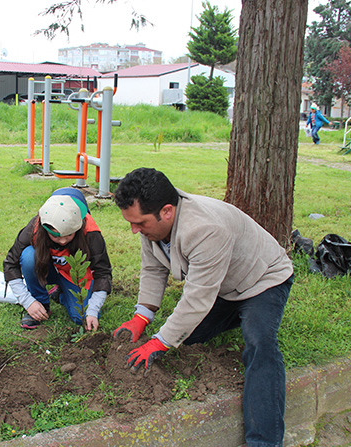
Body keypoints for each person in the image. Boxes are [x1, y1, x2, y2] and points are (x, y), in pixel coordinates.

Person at [112, 168, 294, 447]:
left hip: (262, 281)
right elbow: (152, 269)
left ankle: (265, 441)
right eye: (131, 223)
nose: (134, 229)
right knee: (190, 336)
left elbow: (197, 297)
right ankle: (235, 316)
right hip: (222, 287)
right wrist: (142, 315)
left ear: (167, 211)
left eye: (140, 223)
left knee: (259, 342)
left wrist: (160, 341)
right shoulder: (151, 225)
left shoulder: (206, 229)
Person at [3, 187, 112, 331]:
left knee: (81, 317)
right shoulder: (35, 227)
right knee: (28, 256)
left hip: (74, 274)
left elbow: (103, 272)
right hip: (47, 268)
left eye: (68, 235)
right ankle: (41, 303)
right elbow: (10, 264)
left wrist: (93, 310)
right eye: (55, 236)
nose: (62, 241)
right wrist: (28, 301)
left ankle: (61, 293)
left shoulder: (91, 233)